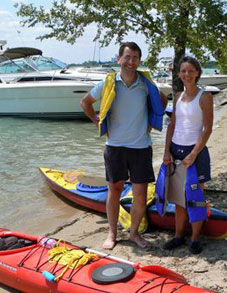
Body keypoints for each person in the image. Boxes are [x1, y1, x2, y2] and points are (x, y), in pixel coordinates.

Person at [80, 42, 167, 250]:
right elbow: (85, 103)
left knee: (140, 193)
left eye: (135, 57)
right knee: (114, 190)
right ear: (119, 59)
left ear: (139, 61)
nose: (131, 62)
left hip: (140, 146)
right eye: (127, 57)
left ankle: (134, 233)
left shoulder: (146, 84)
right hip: (115, 146)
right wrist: (98, 122)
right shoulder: (109, 83)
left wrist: (150, 123)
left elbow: (162, 101)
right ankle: (112, 233)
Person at [162, 56, 214, 254]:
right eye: (183, 71)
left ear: (198, 73)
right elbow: (172, 125)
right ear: (179, 74)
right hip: (176, 150)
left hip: (196, 153)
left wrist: (193, 154)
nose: (187, 75)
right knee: (178, 199)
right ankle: (178, 236)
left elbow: (207, 129)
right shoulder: (177, 97)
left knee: (196, 197)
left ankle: (195, 239)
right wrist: (166, 150)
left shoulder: (204, 97)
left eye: (191, 71)